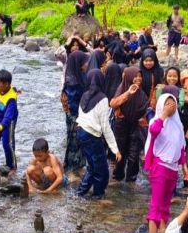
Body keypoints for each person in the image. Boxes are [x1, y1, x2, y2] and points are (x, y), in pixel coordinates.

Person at [145, 94, 188, 233]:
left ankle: (163, 229)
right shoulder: (156, 121)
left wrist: (184, 166)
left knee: (166, 202)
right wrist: (164, 114)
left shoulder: (178, 124)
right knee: (156, 204)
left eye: (173, 103)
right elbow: (154, 131)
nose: (171, 106)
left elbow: (181, 147)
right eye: (167, 103)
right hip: (160, 166)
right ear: (161, 105)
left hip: (172, 168)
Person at [76, 70, 122, 200]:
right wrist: (115, 149)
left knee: (92, 167)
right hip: (91, 135)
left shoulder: (84, 95)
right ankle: (98, 196)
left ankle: (80, 193)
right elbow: (105, 126)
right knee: (102, 170)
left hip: (80, 132)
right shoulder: (102, 98)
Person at [110, 66, 150, 183]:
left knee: (134, 154)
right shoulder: (122, 88)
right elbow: (113, 104)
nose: (138, 79)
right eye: (135, 76)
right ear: (129, 77)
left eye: (140, 76)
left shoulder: (141, 93)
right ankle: (117, 177)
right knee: (120, 152)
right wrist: (128, 93)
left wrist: (142, 119)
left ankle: (131, 179)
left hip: (135, 125)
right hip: (121, 125)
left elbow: (145, 108)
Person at [61, 51, 89, 173]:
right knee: (74, 141)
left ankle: (78, 166)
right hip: (75, 116)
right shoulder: (72, 81)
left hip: (81, 114)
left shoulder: (79, 75)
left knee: (80, 141)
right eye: (84, 62)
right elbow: (73, 102)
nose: (86, 64)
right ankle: (72, 169)